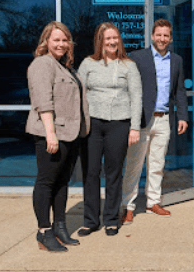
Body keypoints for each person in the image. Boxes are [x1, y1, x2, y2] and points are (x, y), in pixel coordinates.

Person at [26, 22, 90, 252]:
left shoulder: (64, 66)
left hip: (70, 135)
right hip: (51, 135)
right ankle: (44, 231)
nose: (62, 44)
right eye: (57, 40)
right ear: (46, 41)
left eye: (65, 40)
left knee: (62, 182)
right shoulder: (42, 64)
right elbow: (44, 102)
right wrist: (51, 134)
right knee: (46, 182)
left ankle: (60, 226)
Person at [121, 19, 188, 224]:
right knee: (134, 164)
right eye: (158, 35)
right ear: (152, 36)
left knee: (157, 164)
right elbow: (129, 88)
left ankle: (153, 202)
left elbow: (179, 91)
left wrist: (183, 116)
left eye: (166, 35)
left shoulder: (176, 60)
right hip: (141, 120)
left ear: (171, 38)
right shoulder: (138, 57)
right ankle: (128, 206)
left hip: (164, 119)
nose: (162, 39)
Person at [78, 22, 142, 237]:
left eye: (115, 38)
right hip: (92, 125)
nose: (112, 42)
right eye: (108, 39)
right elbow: (79, 94)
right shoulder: (88, 64)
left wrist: (134, 128)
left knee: (114, 173)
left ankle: (112, 220)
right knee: (91, 172)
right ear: (100, 41)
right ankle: (90, 220)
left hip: (120, 125)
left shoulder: (128, 66)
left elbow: (137, 98)